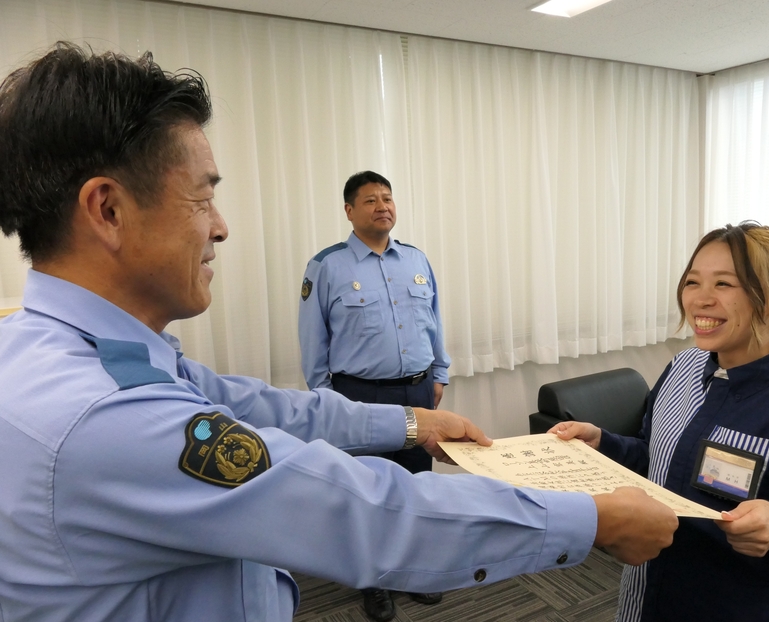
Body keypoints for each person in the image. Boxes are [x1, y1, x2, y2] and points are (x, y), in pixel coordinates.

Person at [0, 43, 679, 622]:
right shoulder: (107, 413)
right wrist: (592, 520)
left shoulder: (82, 355)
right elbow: (369, 514)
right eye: (202, 197)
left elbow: (264, 408)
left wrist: (413, 424)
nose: (220, 226)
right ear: (109, 209)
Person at [551, 222, 769, 622]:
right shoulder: (683, 367)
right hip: (649, 596)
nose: (700, 300)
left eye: (724, 284)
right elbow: (657, 461)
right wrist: (604, 444)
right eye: (692, 282)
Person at [298, 171, 449, 620]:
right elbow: (313, 340)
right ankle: (372, 579)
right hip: (359, 397)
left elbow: (434, 320)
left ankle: (415, 570)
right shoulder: (326, 266)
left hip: (418, 390)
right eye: (370, 200)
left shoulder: (417, 260)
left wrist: (438, 374)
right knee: (367, 492)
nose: (382, 206)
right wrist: (328, 402)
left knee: (417, 486)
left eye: (387, 198)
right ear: (349, 211)